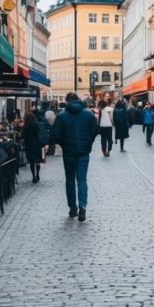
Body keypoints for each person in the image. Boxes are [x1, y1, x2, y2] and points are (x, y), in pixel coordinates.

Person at [50, 92, 98, 221]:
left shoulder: (62, 116)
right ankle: (82, 206)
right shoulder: (89, 115)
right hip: (83, 152)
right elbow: (95, 130)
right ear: (78, 100)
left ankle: (72, 208)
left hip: (69, 153)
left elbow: (55, 134)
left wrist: (64, 144)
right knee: (82, 180)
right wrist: (88, 143)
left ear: (67, 101)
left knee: (70, 180)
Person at [21, 111, 44, 182]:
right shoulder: (36, 125)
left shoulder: (26, 126)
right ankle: (38, 174)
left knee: (31, 161)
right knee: (37, 160)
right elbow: (39, 133)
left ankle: (33, 176)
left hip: (29, 144)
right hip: (37, 143)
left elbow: (22, 135)